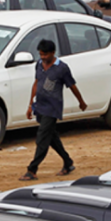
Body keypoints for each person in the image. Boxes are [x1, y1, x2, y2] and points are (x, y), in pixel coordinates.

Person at [20, 39, 87, 181]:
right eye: (41, 54)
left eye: (45, 55)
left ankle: (32, 170)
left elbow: (72, 86)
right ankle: (68, 163)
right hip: (40, 106)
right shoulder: (38, 65)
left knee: (42, 138)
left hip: (53, 108)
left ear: (53, 53)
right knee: (51, 138)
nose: (43, 57)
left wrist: (81, 102)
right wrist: (30, 104)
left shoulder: (62, 68)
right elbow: (36, 83)